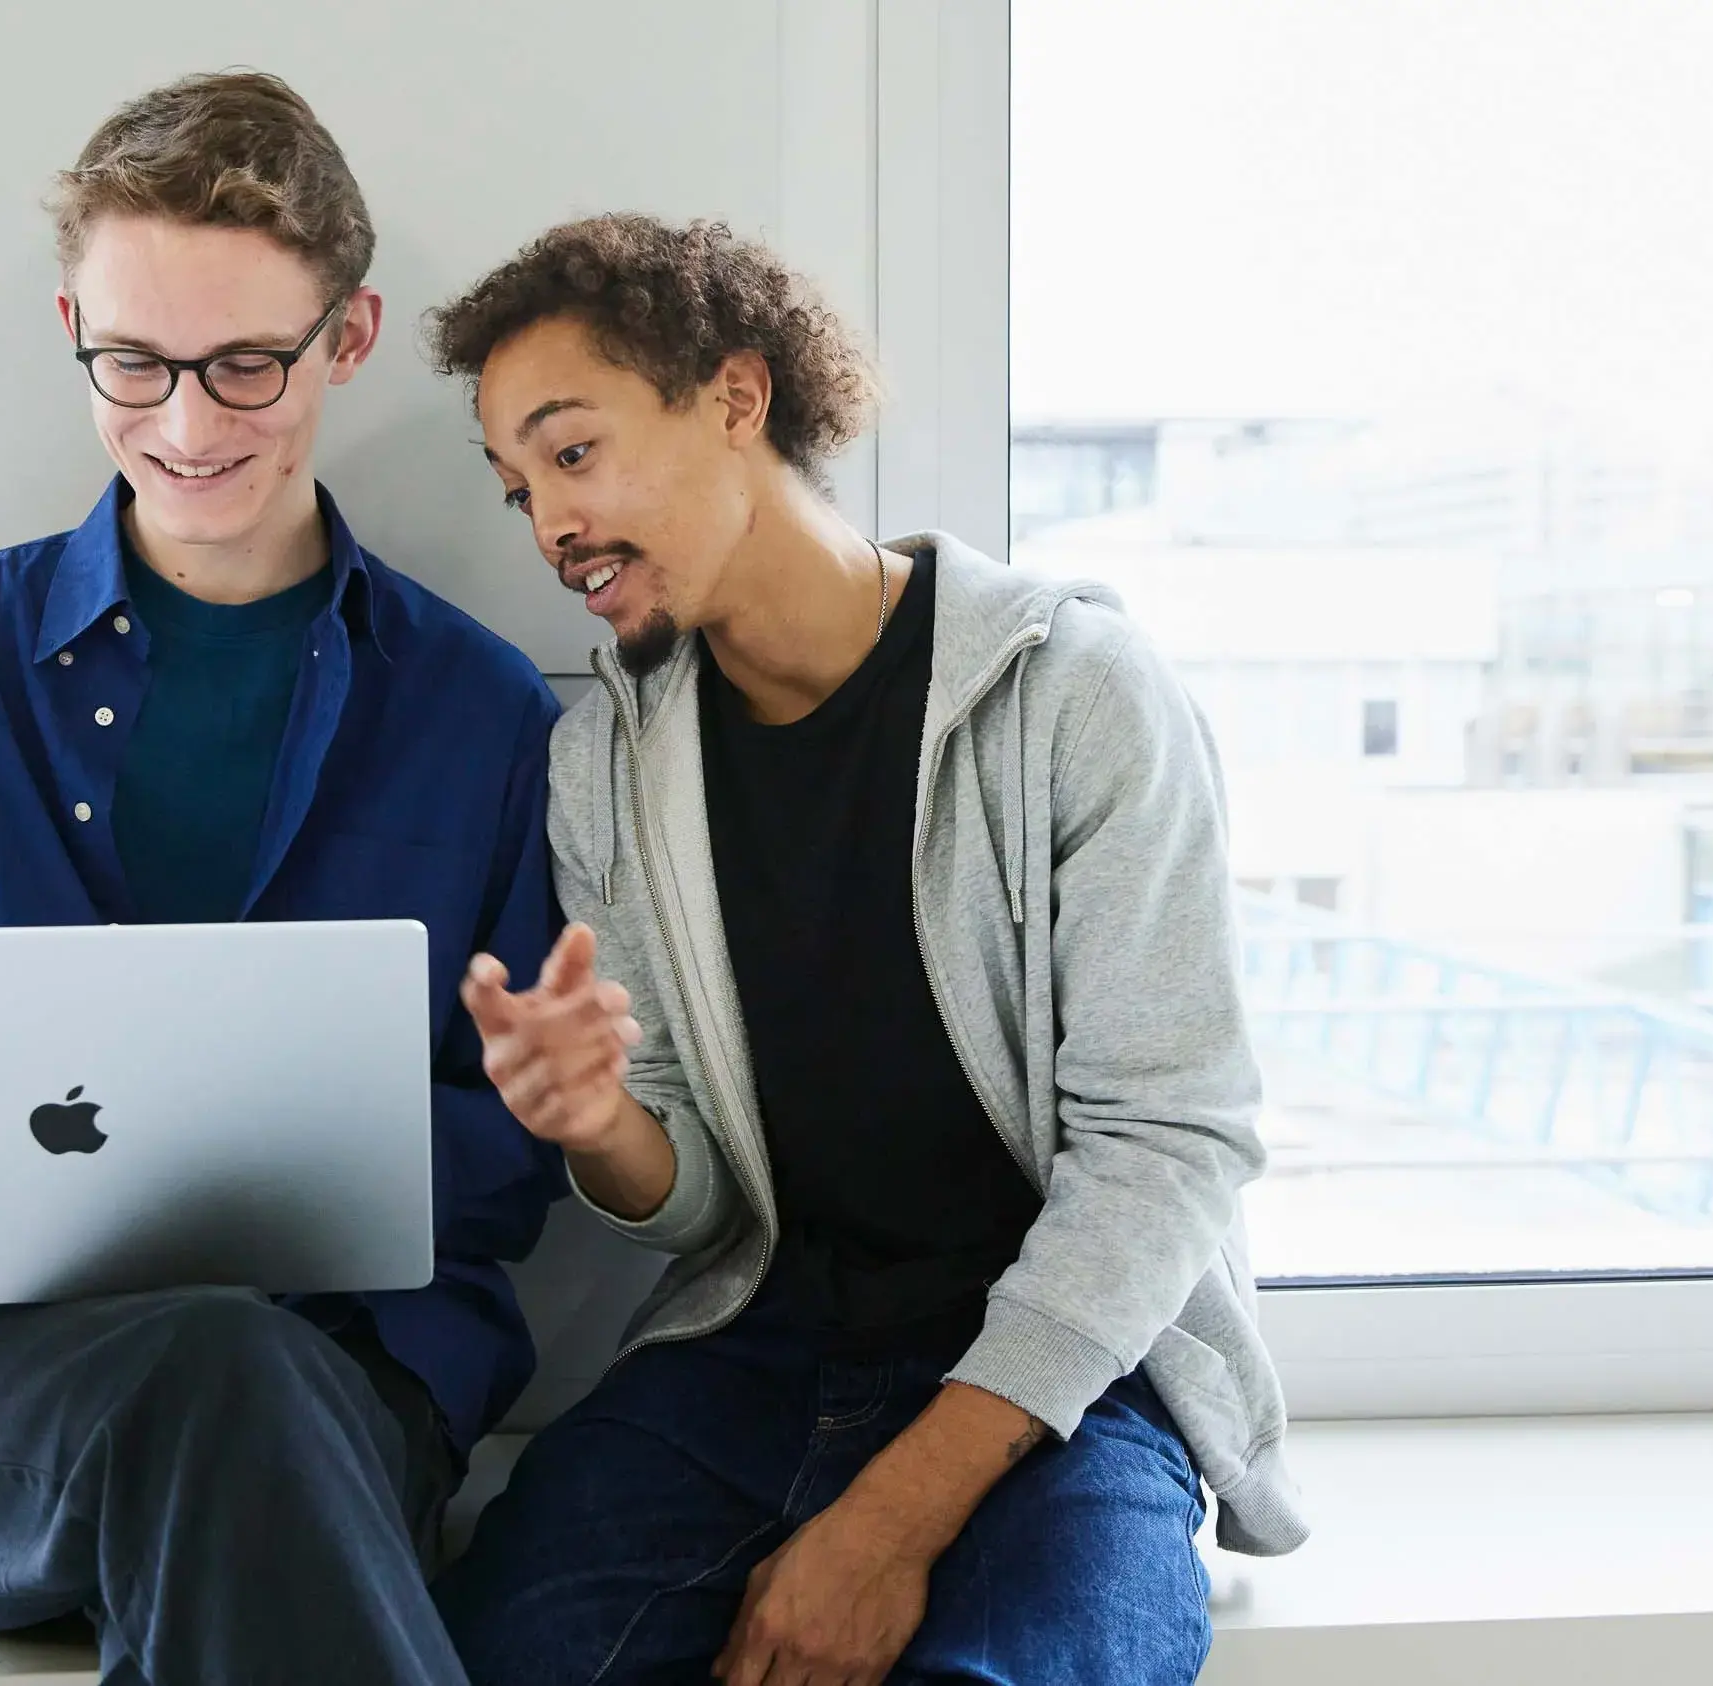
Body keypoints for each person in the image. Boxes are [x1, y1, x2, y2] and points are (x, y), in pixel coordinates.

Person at [0, 72, 561, 1685]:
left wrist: (237, 1180)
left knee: (238, 1381)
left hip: (342, 1377)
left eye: (247, 364)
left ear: (348, 338)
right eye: (135, 362)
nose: (189, 423)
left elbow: (517, 1164)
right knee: (224, 1379)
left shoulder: (484, 711)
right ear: (77, 324)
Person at [427, 215, 1309, 1686]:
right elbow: (701, 1188)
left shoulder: (1073, 694)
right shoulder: (604, 765)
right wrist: (602, 1128)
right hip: (760, 1354)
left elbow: (1172, 1143)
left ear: (736, 396)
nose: (549, 526)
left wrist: (890, 1520)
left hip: (1063, 1383)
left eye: (572, 453)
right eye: (519, 488)